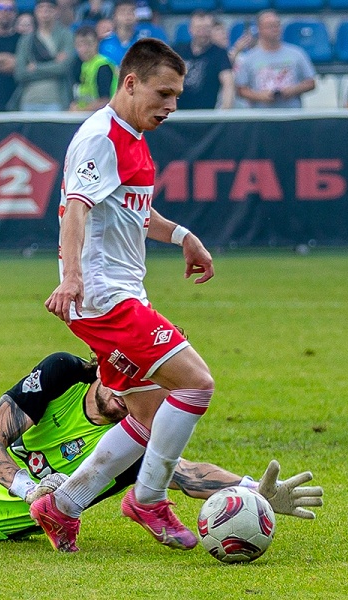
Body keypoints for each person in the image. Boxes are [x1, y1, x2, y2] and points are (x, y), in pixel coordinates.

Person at [0, 352, 323, 544]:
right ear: (108, 364)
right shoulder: (63, 373)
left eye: (150, 386)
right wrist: (30, 488)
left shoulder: (137, 439)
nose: (134, 393)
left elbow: (185, 474)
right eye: (130, 376)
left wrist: (254, 491)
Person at [32, 38, 219, 554]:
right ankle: (149, 499)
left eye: (177, 96)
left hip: (116, 294)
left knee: (147, 412)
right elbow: (76, 207)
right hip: (106, 300)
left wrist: (183, 237)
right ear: (131, 83)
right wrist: (72, 278)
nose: (172, 106)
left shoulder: (133, 136)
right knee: (196, 385)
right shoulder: (101, 137)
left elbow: (135, 213)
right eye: (164, 93)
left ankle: (62, 505)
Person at [234, 9, 316, 109]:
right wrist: (259, 96)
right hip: (261, 114)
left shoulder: (297, 53)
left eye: (277, 25)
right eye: (270, 26)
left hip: (292, 113)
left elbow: (311, 82)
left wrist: (293, 90)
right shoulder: (249, 58)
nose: (275, 29)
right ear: (259, 29)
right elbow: (240, 89)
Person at [12, 0, 73, 111]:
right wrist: (54, 63)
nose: (45, 11)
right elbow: (20, 73)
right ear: (35, 12)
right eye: (41, 8)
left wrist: (36, 67)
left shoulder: (66, 36)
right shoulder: (26, 40)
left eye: (49, 8)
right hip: (29, 100)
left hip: (56, 100)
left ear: (56, 11)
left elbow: (63, 68)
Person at [173, 10, 233, 110]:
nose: (202, 33)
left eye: (206, 28)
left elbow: (228, 83)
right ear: (190, 29)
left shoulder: (220, 53)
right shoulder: (177, 51)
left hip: (206, 114)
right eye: (199, 28)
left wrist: (225, 112)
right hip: (178, 113)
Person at [70, 25, 115, 112]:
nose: (83, 49)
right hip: (86, 115)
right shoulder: (79, 65)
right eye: (79, 45)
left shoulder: (103, 66)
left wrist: (81, 111)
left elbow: (105, 101)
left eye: (88, 44)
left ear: (96, 43)